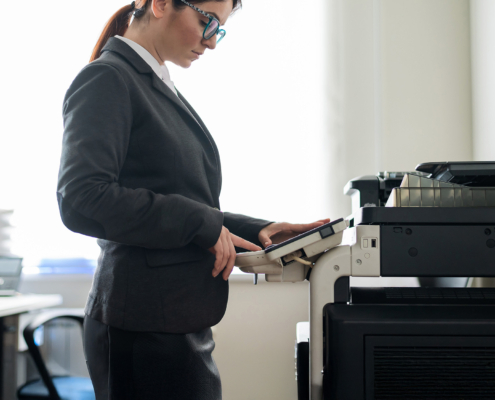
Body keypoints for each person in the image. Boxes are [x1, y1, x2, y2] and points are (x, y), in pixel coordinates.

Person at [57, 0, 329, 398]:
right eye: (207, 21)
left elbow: (177, 197)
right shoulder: (107, 79)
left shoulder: (153, 82)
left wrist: (256, 229)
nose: (212, 42)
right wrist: (201, 224)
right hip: (143, 323)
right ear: (161, 4)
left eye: (219, 28)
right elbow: (82, 197)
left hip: (172, 318)